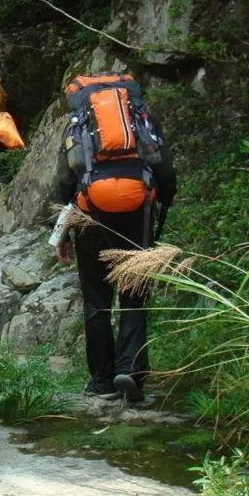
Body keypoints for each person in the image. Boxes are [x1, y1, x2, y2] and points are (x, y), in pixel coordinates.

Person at [53, 73, 176, 404]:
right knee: (134, 294)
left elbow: (64, 183)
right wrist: (162, 200)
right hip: (138, 214)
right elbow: (164, 171)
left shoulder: (77, 125)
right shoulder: (143, 120)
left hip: (90, 215)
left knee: (97, 302)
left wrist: (62, 234)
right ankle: (131, 371)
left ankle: (102, 381)